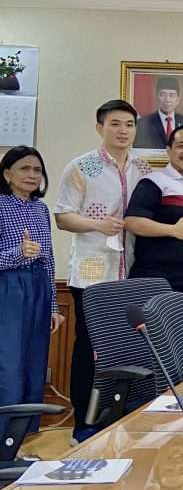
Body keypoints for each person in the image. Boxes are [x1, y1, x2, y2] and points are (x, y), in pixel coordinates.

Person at [55, 99, 151, 442]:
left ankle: (120, 417)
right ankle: (82, 422)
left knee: (127, 346)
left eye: (128, 124)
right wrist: (97, 225)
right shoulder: (81, 167)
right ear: (100, 128)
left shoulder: (143, 168)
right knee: (88, 347)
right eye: (115, 124)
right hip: (93, 272)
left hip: (131, 272)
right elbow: (63, 216)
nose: (123, 130)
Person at [0, 146, 62, 441]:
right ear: (7, 174)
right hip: (8, 288)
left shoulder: (41, 209)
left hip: (38, 287)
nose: (32, 175)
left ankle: (24, 440)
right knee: (8, 366)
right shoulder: (0, 204)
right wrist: (18, 253)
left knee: (34, 365)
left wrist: (54, 305)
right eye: (24, 169)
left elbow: (48, 260)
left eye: (37, 170)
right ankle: (3, 441)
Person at [124, 126, 183, 321]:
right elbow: (132, 221)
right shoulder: (154, 182)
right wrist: (172, 230)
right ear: (169, 150)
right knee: (154, 346)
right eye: (181, 146)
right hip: (158, 283)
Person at [135, 77, 183, 149]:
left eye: (171, 95)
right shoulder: (143, 123)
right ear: (156, 97)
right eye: (163, 95)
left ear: (178, 99)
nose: (167, 100)